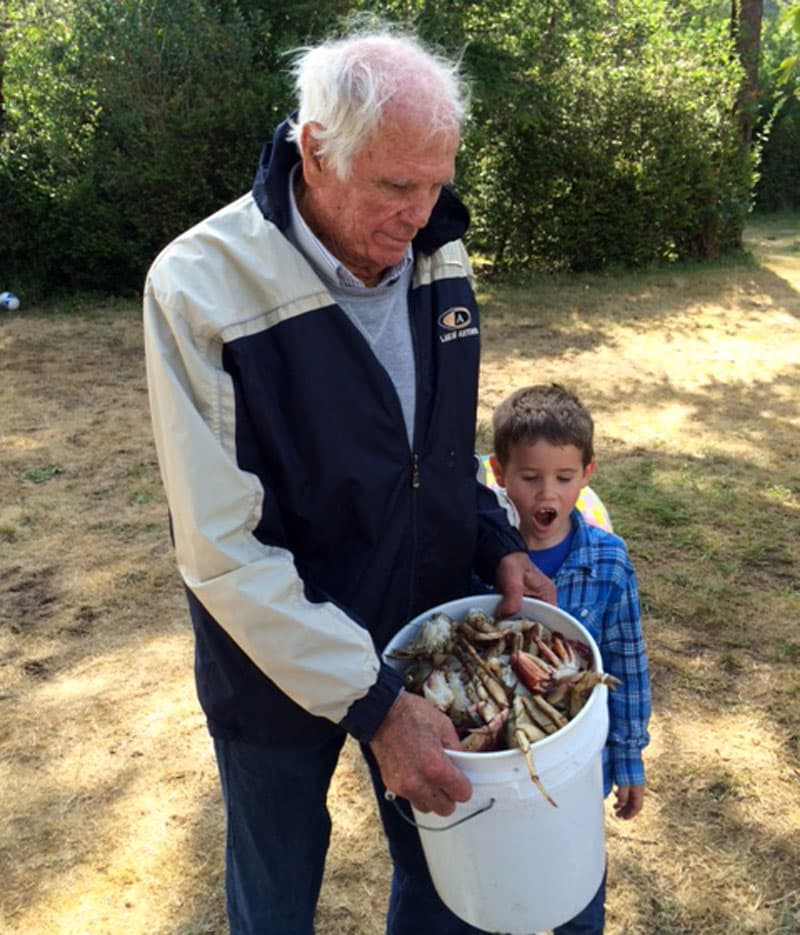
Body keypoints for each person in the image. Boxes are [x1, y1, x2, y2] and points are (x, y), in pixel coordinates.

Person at [143, 27, 555, 935]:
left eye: (438, 182)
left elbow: (438, 446)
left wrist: (491, 538)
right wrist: (371, 703)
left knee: (450, 874)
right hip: (270, 667)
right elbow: (219, 546)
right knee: (274, 884)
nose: (421, 214)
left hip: (428, 633)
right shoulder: (199, 286)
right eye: (395, 186)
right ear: (315, 149)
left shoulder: (439, 248)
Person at [488, 383, 651, 934]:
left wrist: (628, 758)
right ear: (499, 473)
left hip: (580, 771)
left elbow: (627, 664)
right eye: (529, 478)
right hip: (500, 769)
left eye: (563, 478)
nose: (545, 495)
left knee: (576, 898)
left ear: (587, 473)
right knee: (498, 889)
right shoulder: (478, 556)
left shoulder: (609, 561)